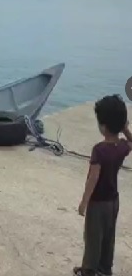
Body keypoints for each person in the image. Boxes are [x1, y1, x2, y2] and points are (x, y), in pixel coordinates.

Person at [73, 95, 131, 276]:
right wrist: (126, 129)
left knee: (92, 238)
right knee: (108, 236)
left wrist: (84, 202)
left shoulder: (99, 149)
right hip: (113, 201)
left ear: (103, 126)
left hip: (97, 203)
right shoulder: (122, 146)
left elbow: (93, 178)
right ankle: (105, 269)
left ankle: (89, 271)